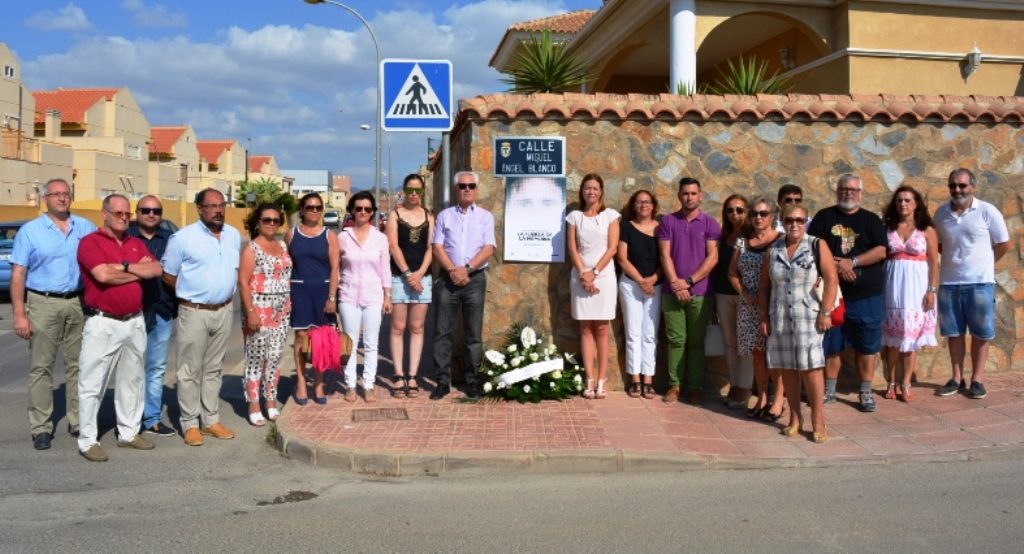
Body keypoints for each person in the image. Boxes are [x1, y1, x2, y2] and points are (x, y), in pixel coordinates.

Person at [74, 194, 163, 461]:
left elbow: (156, 269)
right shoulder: (90, 243)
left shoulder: (135, 243)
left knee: (132, 380)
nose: (124, 218)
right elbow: (102, 275)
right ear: (105, 213)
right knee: (92, 382)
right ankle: (88, 440)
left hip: (134, 321)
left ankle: (128, 433)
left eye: (127, 215)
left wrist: (122, 266)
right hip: (103, 322)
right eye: (118, 214)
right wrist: (137, 271)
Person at [10, 178, 96, 450]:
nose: (61, 198)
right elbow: (18, 274)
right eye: (55, 194)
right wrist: (19, 314)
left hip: (77, 303)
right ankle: (41, 427)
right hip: (43, 302)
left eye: (66, 193)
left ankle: (78, 420)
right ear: (45, 198)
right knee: (41, 367)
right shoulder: (31, 231)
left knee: (79, 366)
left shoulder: (85, 227)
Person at [162, 188, 241, 446]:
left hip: (224, 310)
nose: (219, 210)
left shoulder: (232, 235)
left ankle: (211, 420)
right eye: (212, 206)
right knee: (189, 370)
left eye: (222, 205)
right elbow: (168, 275)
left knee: (214, 368)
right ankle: (190, 423)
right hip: (194, 312)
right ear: (200, 209)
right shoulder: (182, 238)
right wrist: (191, 294)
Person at [807, 174, 888, 412]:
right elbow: (812, 246)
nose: (848, 193)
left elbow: (881, 251)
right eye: (844, 189)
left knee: (868, 345)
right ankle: (829, 390)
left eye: (853, 190)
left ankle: (865, 392)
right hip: (833, 296)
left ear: (861, 193)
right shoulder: (824, 217)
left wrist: (852, 262)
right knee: (832, 344)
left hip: (867, 296)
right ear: (837, 191)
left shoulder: (871, 220)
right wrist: (838, 266)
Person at [759, 204, 838, 443]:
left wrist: (825, 312)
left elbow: (831, 278)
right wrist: (764, 317)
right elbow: (764, 286)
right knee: (788, 369)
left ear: (806, 222)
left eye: (800, 220)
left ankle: (818, 419)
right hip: (780, 316)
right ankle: (795, 417)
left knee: (811, 369)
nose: (795, 224)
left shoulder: (816, 244)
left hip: (808, 317)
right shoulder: (773, 249)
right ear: (782, 221)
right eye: (790, 220)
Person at [933, 168, 1010, 399]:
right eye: (953, 186)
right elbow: (938, 245)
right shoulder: (940, 214)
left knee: (981, 334)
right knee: (954, 333)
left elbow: (1003, 243)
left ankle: (977, 379)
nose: (957, 190)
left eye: (962, 185)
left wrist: (986, 263)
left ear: (972, 187)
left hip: (980, 284)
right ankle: (957, 378)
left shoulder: (987, 211)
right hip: (949, 283)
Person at [430, 171, 496, 400]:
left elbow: (489, 248)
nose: (467, 189)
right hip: (448, 279)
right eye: (462, 185)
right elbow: (437, 246)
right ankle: (441, 382)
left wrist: (466, 269)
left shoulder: (486, 216)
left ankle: (473, 382)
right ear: (456, 189)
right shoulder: (445, 216)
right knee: (442, 333)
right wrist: (453, 271)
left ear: (476, 189)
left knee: (473, 335)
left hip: (474, 280)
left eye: (471, 185)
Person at [658, 176, 721, 404]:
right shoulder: (668, 222)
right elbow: (665, 254)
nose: (690, 197)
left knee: (696, 342)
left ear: (701, 195)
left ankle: (695, 387)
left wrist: (689, 281)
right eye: (685, 193)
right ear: (679, 196)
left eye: (694, 193)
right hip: (671, 291)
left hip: (700, 292)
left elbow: (713, 257)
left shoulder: (710, 223)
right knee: (675, 341)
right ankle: (674, 386)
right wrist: (677, 284)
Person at [728, 196, 785, 420]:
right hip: (749, 307)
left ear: (773, 217)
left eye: (763, 213)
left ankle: (779, 400)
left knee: (777, 355)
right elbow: (732, 273)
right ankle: (761, 396)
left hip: (775, 305)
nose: (758, 218)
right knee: (758, 354)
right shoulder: (743, 241)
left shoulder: (781, 240)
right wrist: (744, 292)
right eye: (754, 214)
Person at [880, 186, 938, 402]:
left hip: (917, 287)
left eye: (907, 200)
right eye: (899, 201)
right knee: (892, 339)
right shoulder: (887, 227)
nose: (903, 204)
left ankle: (906, 383)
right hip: (892, 286)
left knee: (910, 338)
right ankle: (891, 382)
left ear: (916, 204)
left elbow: (933, 262)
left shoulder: (927, 229)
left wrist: (931, 290)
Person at [127, 195, 179, 437]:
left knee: (156, 367)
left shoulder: (171, 240)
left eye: (156, 211)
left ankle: (152, 418)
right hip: (130, 311)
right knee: (129, 367)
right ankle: (128, 420)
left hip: (161, 310)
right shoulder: (124, 238)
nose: (151, 214)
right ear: (137, 212)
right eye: (145, 210)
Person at [567, 173, 621, 399]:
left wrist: (594, 273)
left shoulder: (610, 215)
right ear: (582, 191)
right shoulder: (574, 217)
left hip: (604, 275)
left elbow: (613, 248)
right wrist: (583, 274)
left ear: (601, 191)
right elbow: (572, 248)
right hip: (580, 275)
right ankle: (589, 379)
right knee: (585, 328)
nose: (591, 192)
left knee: (602, 328)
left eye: (595, 188)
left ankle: (602, 379)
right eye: (587, 188)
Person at [238, 204, 292, 425]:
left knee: (275, 356)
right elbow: (243, 281)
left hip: (282, 308)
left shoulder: (282, 245)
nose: (271, 224)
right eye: (266, 220)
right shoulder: (252, 248)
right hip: (259, 307)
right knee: (256, 358)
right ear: (258, 222)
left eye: (275, 220)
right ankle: (253, 402)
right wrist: (250, 311)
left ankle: (270, 400)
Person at [285, 193, 339, 405]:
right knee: (300, 339)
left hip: (323, 292)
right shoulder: (291, 235)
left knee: (320, 341)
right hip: (299, 292)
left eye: (318, 207)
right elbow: (287, 265)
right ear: (302, 210)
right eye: (310, 207)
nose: (314, 211)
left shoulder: (329, 235)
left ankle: (318, 383)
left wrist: (332, 297)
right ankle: (300, 383)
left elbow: (335, 268)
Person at [338, 191, 393, 402]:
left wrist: (387, 296)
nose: (363, 212)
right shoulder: (343, 237)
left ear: (372, 213)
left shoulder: (380, 238)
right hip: (348, 294)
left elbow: (385, 269)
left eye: (367, 209)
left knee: (371, 343)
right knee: (349, 342)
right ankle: (350, 385)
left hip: (373, 295)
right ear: (352, 210)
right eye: (359, 208)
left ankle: (368, 384)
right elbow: (336, 268)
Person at [386, 174, 434, 398]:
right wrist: (407, 274)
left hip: (422, 279)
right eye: (410, 190)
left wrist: (420, 274)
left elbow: (431, 248)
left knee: (417, 328)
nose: (414, 194)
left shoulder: (428, 216)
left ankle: (412, 375)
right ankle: (398, 375)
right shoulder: (394, 215)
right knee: (398, 327)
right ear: (404, 191)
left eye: (418, 190)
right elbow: (393, 246)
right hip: (399, 277)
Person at [616, 189, 661, 399]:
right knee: (633, 333)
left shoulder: (662, 228)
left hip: (655, 285)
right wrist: (641, 280)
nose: (643, 205)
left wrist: (653, 279)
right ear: (634, 206)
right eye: (639, 202)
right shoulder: (625, 226)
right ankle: (635, 379)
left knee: (650, 334)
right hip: (630, 285)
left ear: (653, 205)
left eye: (647, 202)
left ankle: (648, 379)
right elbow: (622, 258)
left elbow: (667, 257)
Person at [712, 194, 748, 409]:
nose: (735, 214)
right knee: (730, 342)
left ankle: (744, 388)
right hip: (723, 295)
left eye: (740, 210)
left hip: (744, 296)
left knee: (745, 344)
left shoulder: (752, 237)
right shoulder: (723, 236)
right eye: (730, 210)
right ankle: (735, 384)